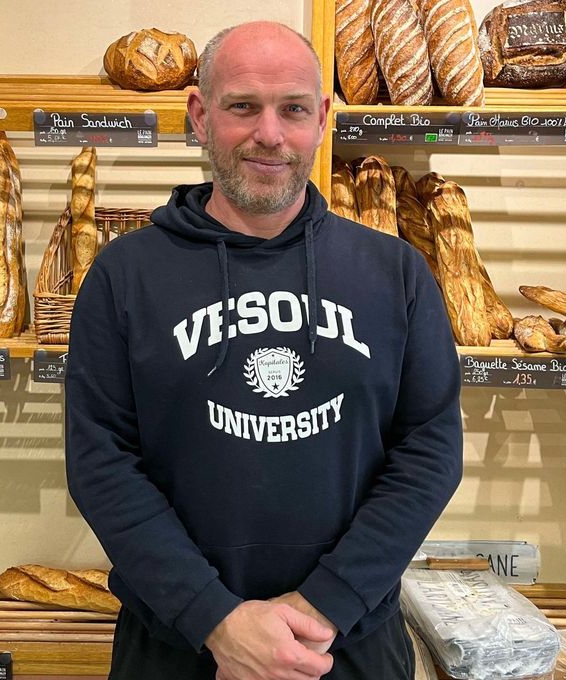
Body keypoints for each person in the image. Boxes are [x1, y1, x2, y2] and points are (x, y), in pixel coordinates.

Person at [65, 20, 463, 680]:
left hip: (349, 651)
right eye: (243, 106)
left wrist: (322, 606)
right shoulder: (123, 276)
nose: (270, 135)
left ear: (322, 118)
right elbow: (100, 463)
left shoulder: (395, 273)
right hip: (176, 653)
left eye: (294, 110)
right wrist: (215, 620)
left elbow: (430, 451)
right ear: (200, 114)